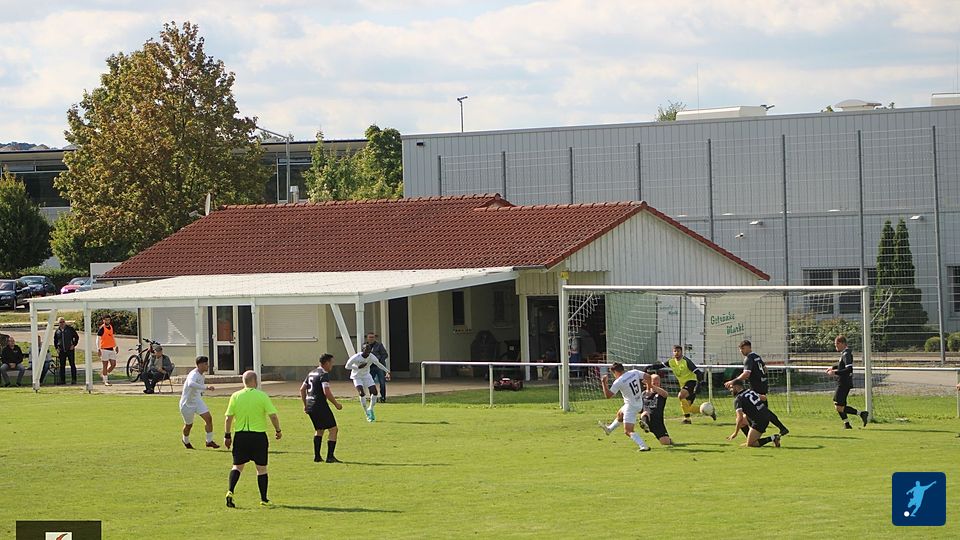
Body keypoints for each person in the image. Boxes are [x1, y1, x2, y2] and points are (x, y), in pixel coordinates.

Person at [224, 370, 282, 508]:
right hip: (258, 436)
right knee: (261, 469)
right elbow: (273, 415)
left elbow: (228, 418)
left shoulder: (235, 396)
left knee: (237, 466)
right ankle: (264, 499)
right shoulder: (262, 396)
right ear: (255, 381)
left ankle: (230, 491)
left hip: (241, 435)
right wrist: (278, 430)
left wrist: (227, 435)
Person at [724, 340, 789, 436]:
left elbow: (746, 374)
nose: (741, 351)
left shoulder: (749, 358)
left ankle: (758, 433)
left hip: (756, 387)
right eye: (740, 349)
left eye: (743, 348)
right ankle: (779, 428)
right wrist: (761, 377)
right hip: (762, 385)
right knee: (763, 411)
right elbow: (765, 369)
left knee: (761, 411)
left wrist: (733, 381)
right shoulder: (757, 357)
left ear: (749, 347)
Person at [646, 345, 712, 423]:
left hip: (691, 382)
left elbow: (698, 372)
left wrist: (699, 384)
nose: (676, 353)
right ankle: (707, 412)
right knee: (688, 408)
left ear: (681, 352)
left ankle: (687, 419)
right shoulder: (671, 361)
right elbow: (660, 366)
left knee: (680, 396)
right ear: (673, 352)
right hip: (683, 385)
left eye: (678, 351)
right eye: (675, 351)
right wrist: (650, 367)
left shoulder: (686, 361)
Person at [299, 353, 344, 463]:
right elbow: (326, 392)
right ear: (327, 363)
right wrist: (336, 404)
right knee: (333, 429)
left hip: (310, 405)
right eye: (331, 363)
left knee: (319, 430)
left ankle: (317, 456)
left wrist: (305, 404)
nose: (332, 365)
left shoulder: (311, 373)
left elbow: (302, 389)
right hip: (319, 405)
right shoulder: (323, 374)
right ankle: (330, 457)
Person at [598, 362, 651, 452]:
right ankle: (609, 429)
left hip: (631, 407)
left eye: (613, 373)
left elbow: (608, 395)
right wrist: (648, 389)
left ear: (615, 372)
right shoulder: (634, 372)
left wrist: (604, 383)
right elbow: (648, 377)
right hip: (638, 402)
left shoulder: (619, 381)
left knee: (628, 431)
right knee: (620, 414)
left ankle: (643, 446)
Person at [826, 335, 869, 429]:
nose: (835, 346)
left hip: (844, 383)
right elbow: (842, 365)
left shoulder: (846, 354)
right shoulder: (845, 353)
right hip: (843, 382)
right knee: (838, 405)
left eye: (837, 344)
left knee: (838, 406)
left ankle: (861, 414)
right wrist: (833, 367)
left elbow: (849, 369)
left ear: (842, 343)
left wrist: (835, 372)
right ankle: (847, 424)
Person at [725, 379, 782, 448]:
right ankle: (749, 439)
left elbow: (740, 418)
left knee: (751, 444)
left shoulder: (738, 399)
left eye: (731, 387)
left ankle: (773, 437)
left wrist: (735, 433)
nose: (730, 390)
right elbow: (764, 398)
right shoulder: (749, 391)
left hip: (759, 421)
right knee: (742, 422)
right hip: (764, 416)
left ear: (736, 387)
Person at [180, 356, 219, 450]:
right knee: (189, 425)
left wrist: (201, 392)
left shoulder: (202, 375)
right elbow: (190, 384)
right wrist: (206, 387)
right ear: (199, 365)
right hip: (187, 403)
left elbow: (197, 388)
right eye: (205, 364)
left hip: (197, 401)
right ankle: (185, 440)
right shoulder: (193, 374)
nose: (207, 366)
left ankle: (209, 441)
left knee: (208, 419)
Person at [345, 343, 390, 422]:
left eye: (369, 350)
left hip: (366, 376)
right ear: (363, 350)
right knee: (362, 393)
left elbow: (378, 364)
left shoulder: (372, 357)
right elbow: (347, 366)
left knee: (375, 392)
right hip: (357, 376)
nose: (368, 352)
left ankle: (370, 409)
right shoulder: (356, 357)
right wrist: (357, 367)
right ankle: (366, 413)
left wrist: (387, 371)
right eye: (366, 350)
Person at [640, 374, 673, 446]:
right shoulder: (643, 394)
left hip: (658, 422)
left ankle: (669, 440)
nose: (656, 385)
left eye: (658, 383)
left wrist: (651, 385)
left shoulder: (661, 394)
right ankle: (645, 424)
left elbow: (665, 394)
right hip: (647, 418)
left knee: (666, 443)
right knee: (645, 413)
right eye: (654, 383)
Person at [365, 332, 390, 403]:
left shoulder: (379, 345)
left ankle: (383, 397)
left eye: (373, 337)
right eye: (370, 337)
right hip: (370, 367)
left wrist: (378, 361)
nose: (371, 339)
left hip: (379, 367)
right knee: (370, 383)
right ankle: (372, 397)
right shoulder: (365, 346)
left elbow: (385, 355)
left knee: (382, 383)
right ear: (367, 338)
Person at [54, 317, 79, 385]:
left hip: (70, 350)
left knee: (72, 364)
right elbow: (55, 340)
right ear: (58, 323)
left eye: (63, 322)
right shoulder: (57, 331)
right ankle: (62, 380)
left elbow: (76, 337)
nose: (62, 323)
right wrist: (57, 348)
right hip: (62, 351)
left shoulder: (70, 329)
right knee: (62, 366)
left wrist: (73, 345)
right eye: (60, 322)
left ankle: (74, 380)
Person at [96, 316, 118, 385]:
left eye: (108, 320)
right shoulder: (102, 328)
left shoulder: (111, 327)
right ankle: (105, 380)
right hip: (104, 349)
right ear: (103, 320)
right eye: (106, 320)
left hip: (111, 348)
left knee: (113, 364)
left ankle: (104, 373)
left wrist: (116, 345)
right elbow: (98, 339)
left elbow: (112, 336)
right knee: (105, 364)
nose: (107, 321)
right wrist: (98, 349)